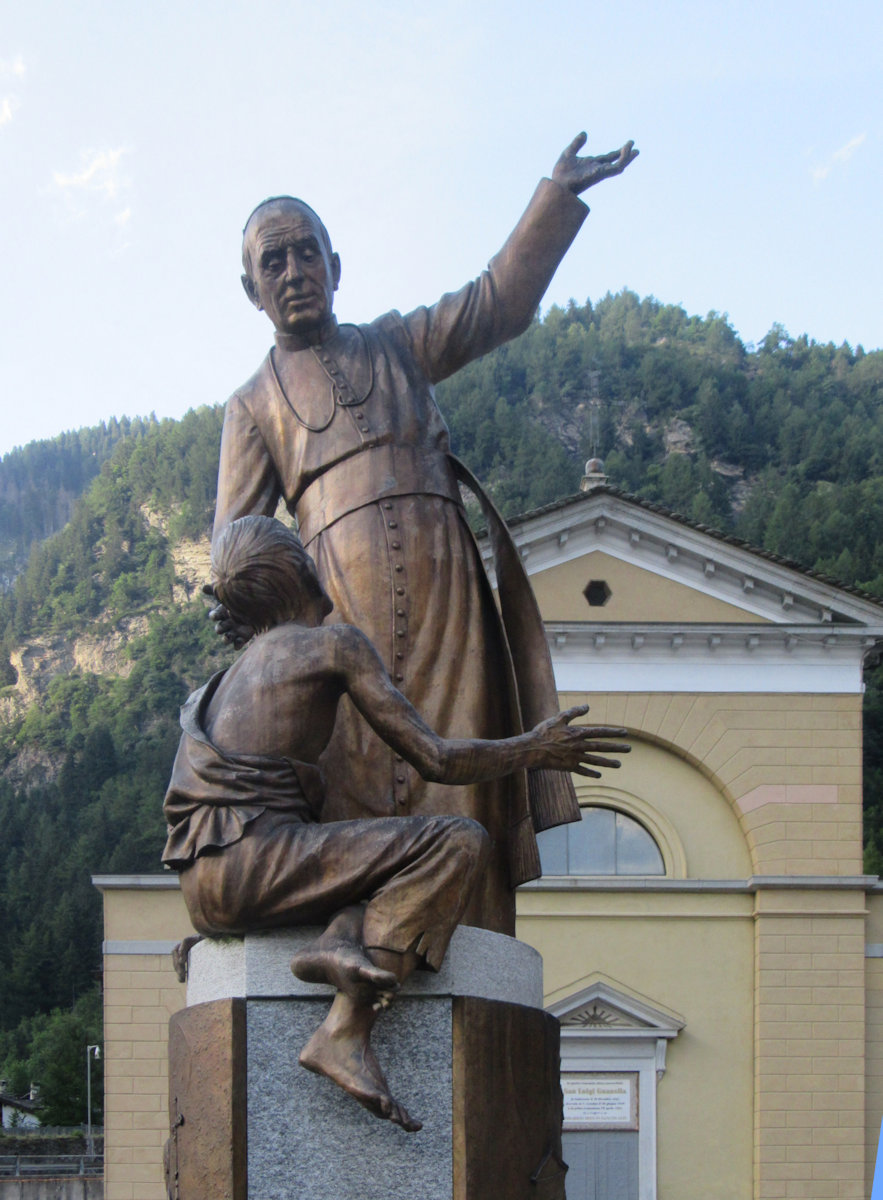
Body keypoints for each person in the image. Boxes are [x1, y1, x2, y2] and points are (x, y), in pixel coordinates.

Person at [210, 134, 638, 935]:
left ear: (336, 265)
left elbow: (498, 302)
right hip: (336, 605)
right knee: (350, 766)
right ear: (251, 288)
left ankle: (468, 936)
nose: (294, 271)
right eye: (275, 262)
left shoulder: (397, 344)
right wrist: (240, 601)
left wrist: (554, 197)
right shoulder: (250, 404)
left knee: (460, 748)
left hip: (448, 595)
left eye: (307, 254)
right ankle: (351, 939)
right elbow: (234, 539)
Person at [165, 516, 629, 1131]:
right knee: (456, 841)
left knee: (371, 859)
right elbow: (435, 758)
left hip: (207, 890)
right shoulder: (334, 645)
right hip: (262, 862)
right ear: (300, 571)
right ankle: (344, 1030)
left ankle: (336, 938)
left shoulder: (213, 688)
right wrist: (534, 749)